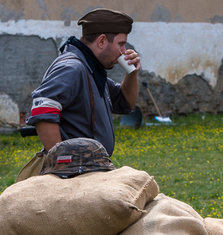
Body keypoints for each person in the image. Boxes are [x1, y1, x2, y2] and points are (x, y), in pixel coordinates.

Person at [26, 9, 140, 155]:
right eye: (121, 44)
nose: (124, 51)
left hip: (90, 169)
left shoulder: (91, 69)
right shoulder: (73, 67)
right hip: (76, 172)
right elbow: (42, 110)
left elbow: (125, 102)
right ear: (102, 41)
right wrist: (62, 162)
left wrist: (132, 72)